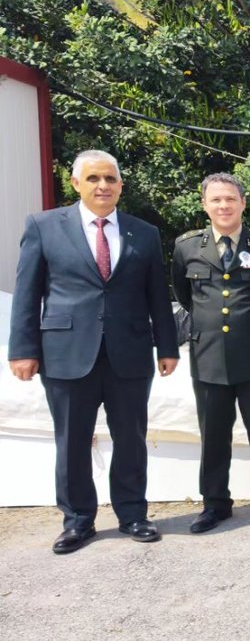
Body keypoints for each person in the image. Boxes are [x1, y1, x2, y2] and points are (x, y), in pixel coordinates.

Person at [8, 150, 179, 554]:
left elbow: (158, 295)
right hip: (66, 353)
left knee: (131, 438)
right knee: (72, 440)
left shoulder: (145, 233)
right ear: (76, 184)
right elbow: (27, 293)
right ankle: (78, 521)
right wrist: (23, 349)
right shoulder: (44, 226)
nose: (103, 186)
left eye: (110, 179)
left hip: (130, 351)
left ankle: (133, 514)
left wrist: (168, 346)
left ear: (121, 185)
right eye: (94, 179)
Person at [171, 173, 250, 534]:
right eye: (216, 200)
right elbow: (184, 296)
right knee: (214, 435)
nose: (224, 206)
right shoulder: (187, 247)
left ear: (243, 203)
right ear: (205, 204)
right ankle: (215, 504)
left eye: (230, 199)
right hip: (207, 358)